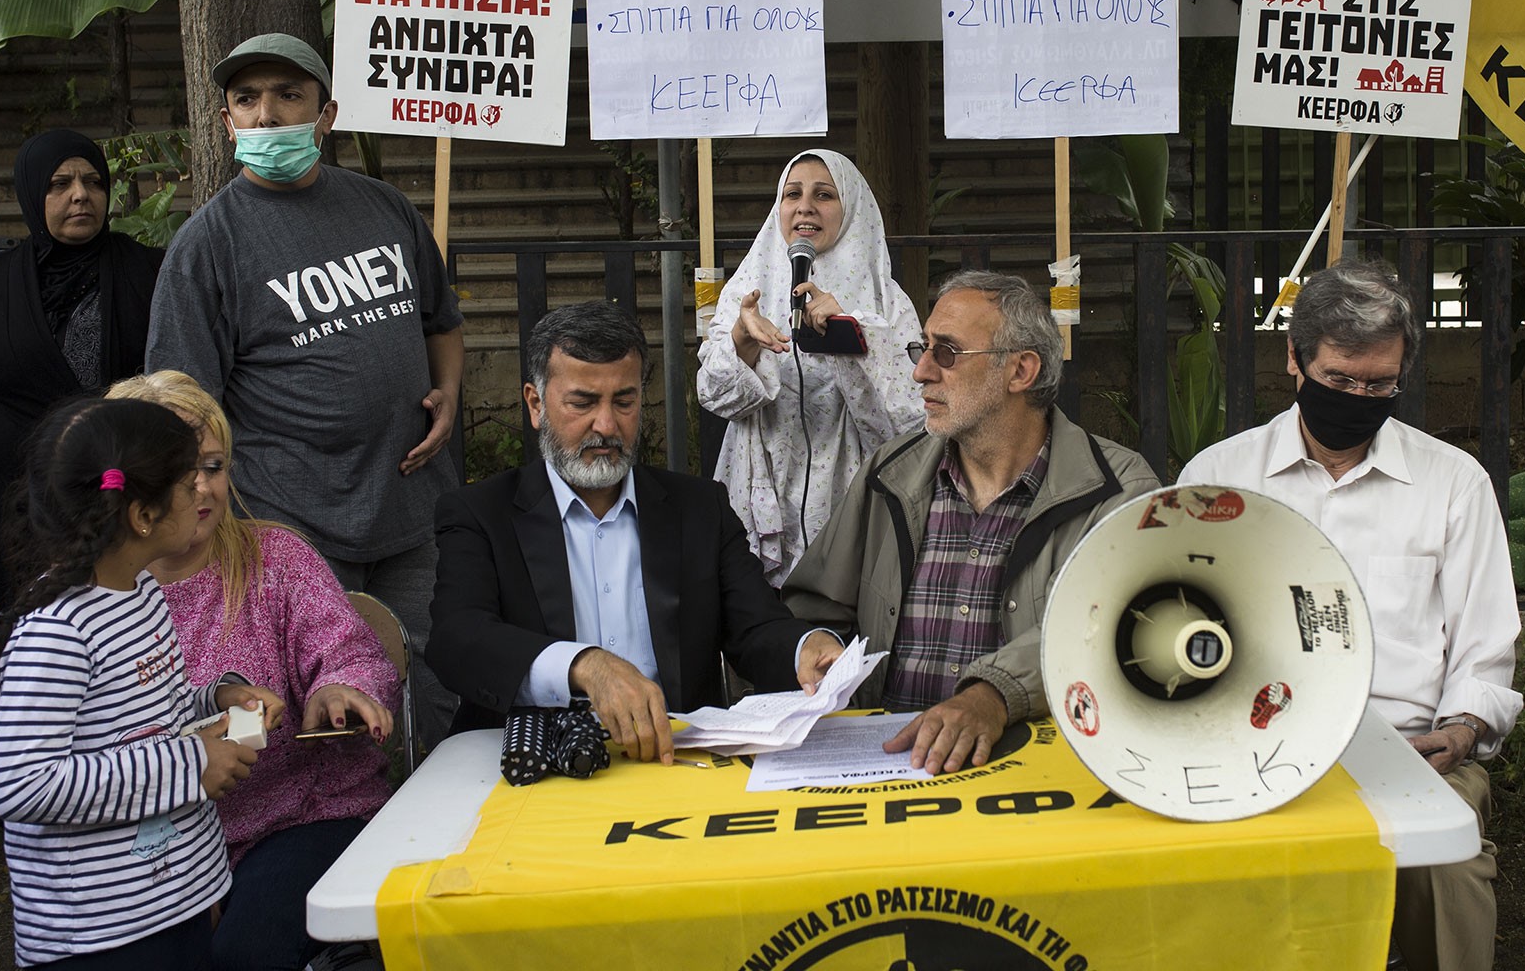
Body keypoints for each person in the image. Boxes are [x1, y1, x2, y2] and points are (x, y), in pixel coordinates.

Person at [1177, 259, 1520, 971]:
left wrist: (1463, 729)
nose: (1359, 396)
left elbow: (1486, 648)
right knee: (1205, 873)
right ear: (1295, 362)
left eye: (1379, 384)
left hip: (1413, 749)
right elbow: (1184, 631)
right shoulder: (1217, 478)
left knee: (1449, 872)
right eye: (1340, 380)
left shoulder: (1453, 483)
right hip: (1250, 746)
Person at [146, 33, 463, 740]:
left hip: (414, 513)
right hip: (295, 530)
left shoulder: (385, 209)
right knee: (324, 714)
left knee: (430, 701)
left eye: (289, 96)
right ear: (227, 121)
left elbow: (442, 323)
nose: (267, 116)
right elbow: (181, 413)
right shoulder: (207, 248)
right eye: (247, 99)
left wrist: (448, 390)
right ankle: (334, 846)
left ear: (327, 115)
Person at [427, 300, 843, 763]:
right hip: (532, 767)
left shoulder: (698, 508)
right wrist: (583, 665)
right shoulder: (481, 513)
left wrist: (805, 650)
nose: (606, 426)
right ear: (535, 404)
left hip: (673, 761)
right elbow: (456, 638)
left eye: (623, 402)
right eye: (582, 402)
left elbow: (756, 627)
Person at [784, 270, 1161, 775]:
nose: (920, 371)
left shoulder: (1117, 490)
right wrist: (818, 645)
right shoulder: (889, 474)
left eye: (946, 352)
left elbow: (1115, 626)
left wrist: (994, 697)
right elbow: (814, 607)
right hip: (887, 773)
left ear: (1021, 371)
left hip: (1031, 776)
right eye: (922, 347)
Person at [0, 397, 277, 969]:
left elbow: (150, 714)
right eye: (187, 483)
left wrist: (220, 698)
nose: (202, 492)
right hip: (99, 938)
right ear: (143, 517)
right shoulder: (58, 632)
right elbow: (24, 784)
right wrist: (192, 763)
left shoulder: (140, 593)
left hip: (172, 904)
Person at [107, 370, 397, 971]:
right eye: (178, 472)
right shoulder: (94, 596)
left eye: (212, 466)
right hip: (152, 842)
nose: (200, 488)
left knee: (244, 952)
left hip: (302, 814)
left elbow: (348, 649)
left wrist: (340, 687)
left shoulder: (275, 558)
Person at [0, 129, 163, 777]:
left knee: (124, 622)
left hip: (120, 488)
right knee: (16, 627)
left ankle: (129, 769)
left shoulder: (146, 273)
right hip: (14, 501)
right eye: (60, 184)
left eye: (93, 182)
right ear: (30, 194)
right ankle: (16, 777)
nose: (80, 195)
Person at [698, 149, 925, 585]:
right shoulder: (747, 289)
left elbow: (908, 423)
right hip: (758, 482)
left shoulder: (885, 301)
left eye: (824, 195)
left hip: (848, 490)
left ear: (852, 206)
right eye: (792, 194)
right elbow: (714, 396)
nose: (805, 206)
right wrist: (741, 344)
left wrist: (852, 337)